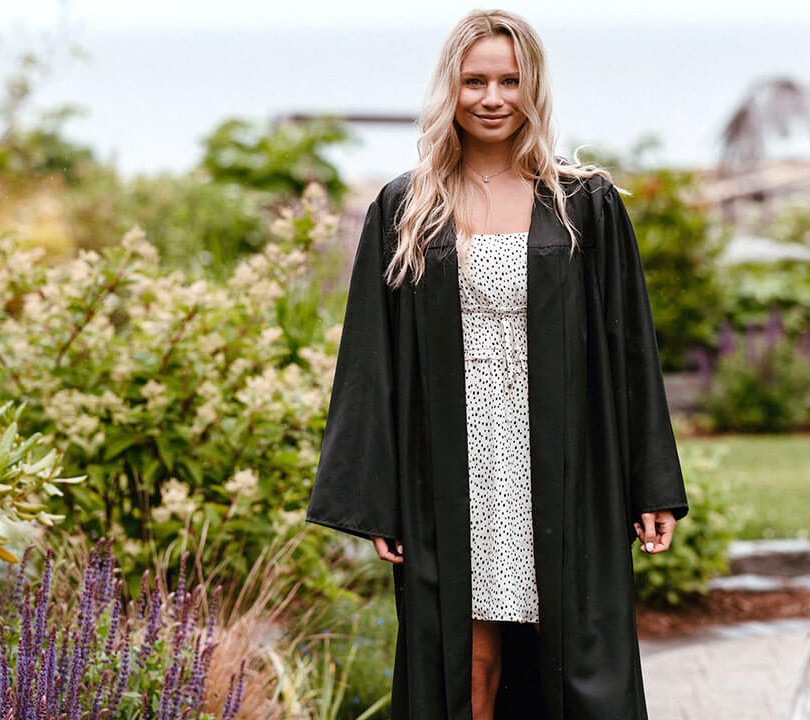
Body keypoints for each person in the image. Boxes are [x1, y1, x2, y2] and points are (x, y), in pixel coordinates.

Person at [305, 9, 688, 720]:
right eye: (474, 80)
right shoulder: (406, 207)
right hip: (453, 462)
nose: (492, 98)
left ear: (532, 87)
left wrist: (652, 484)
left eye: (509, 81)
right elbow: (370, 362)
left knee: (565, 648)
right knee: (465, 655)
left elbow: (630, 344)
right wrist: (380, 494)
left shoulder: (584, 203)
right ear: (448, 88)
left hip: (564, 455)